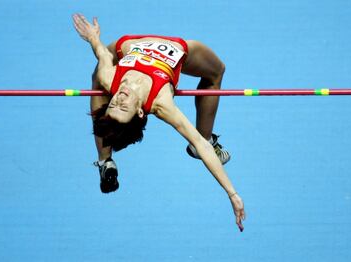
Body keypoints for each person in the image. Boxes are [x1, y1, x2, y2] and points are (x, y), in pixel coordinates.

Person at [72, 13, 245, 232]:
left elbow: (100, 52)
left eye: (113, 102)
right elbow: (200, 143)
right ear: (140, 112)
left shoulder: (110, 79)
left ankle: (105, 159)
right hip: (176, 49)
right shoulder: (161, 102)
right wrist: (232, 193)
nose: (119, 97)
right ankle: (107, 160)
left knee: (98, 74)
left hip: (127, 45)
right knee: (216, 72)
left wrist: (93, 37)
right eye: (123, 106)